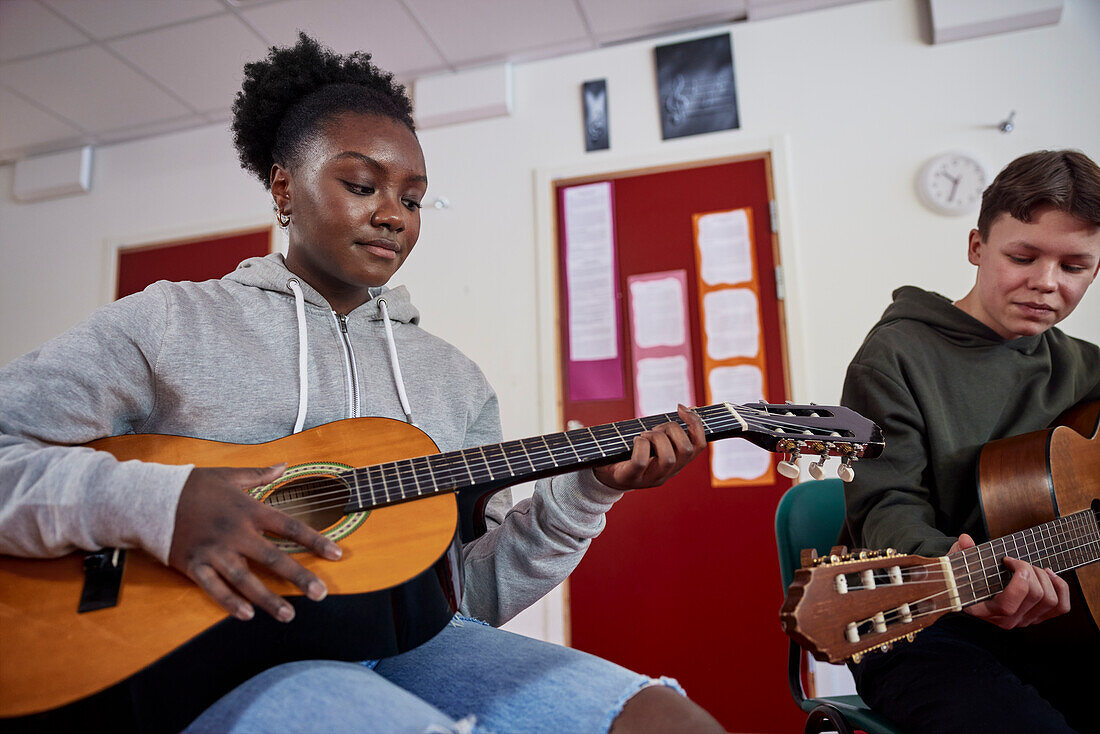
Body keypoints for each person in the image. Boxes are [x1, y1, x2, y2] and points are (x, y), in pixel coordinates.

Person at [0, 35, 725, 734]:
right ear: (284, 187)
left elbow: (460, 598)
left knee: (667, 719)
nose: (392, 215)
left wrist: (588, 493)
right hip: (218, 657)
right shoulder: (171, 322)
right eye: (360, 184)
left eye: (412, 199)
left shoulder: (454, 382)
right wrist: (163, 503)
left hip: (413, 652)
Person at [839, 149, 1100, 734]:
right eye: (1023, 256)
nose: (1046, 283)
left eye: (1075, 266)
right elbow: (885, 507)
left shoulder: (1087, 370)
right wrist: (961, 579)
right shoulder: (895, 356)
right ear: (977, 248)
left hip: (1062, 621)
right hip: (916, 618)